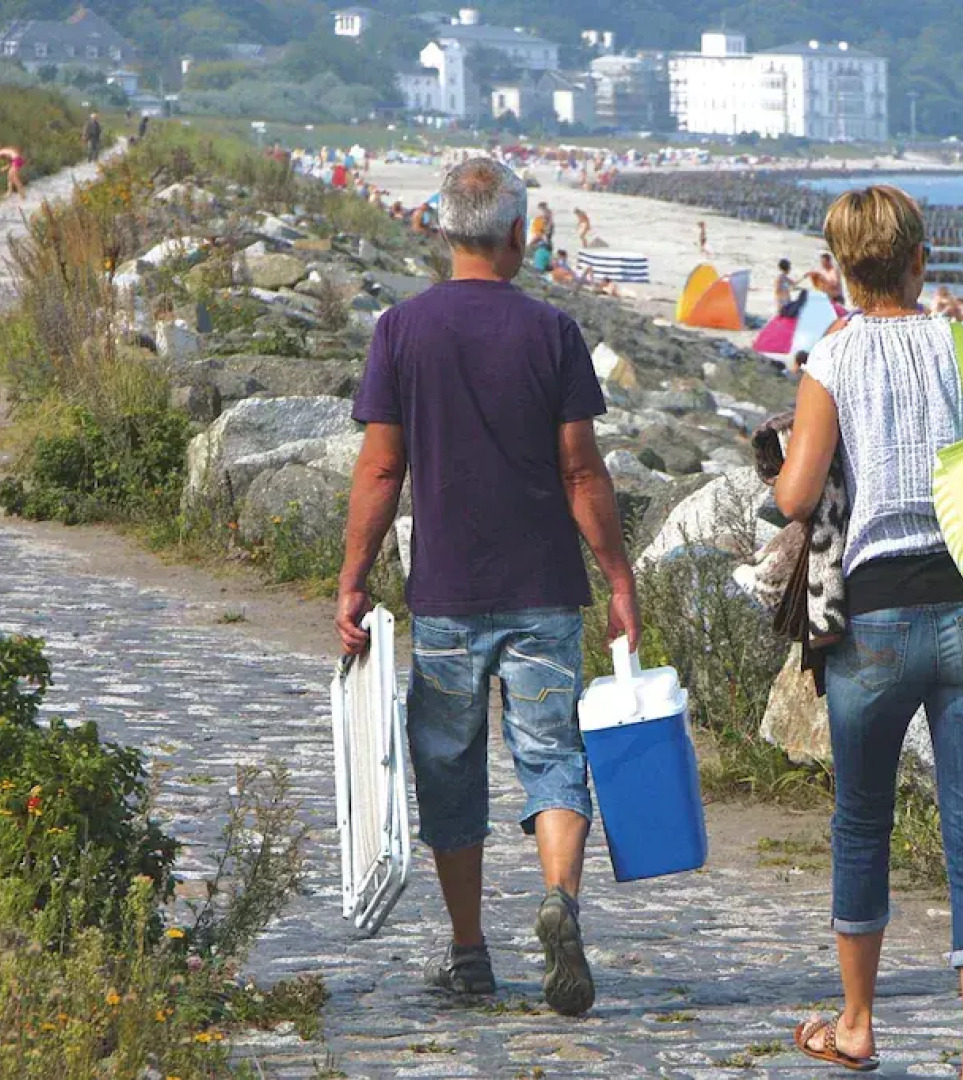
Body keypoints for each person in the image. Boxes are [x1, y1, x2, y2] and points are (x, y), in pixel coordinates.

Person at [337, 157, 639, 1018]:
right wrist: (618, 579)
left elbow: (382, 466)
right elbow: (583, 473)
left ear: (439, 228)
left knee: (450, 768)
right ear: (518, 234)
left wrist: (354, 582)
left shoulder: (400, 330)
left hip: (445, 596)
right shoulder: (552, 333)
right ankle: (559, 901)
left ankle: (471, 954)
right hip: (544, 590)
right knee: (551, 758)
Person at [774, 185, 963, 1080]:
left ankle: (855, 1024)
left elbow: (797, 497)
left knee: (861, 825)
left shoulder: (832, 358)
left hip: (874, 619)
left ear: (840, 269)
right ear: (922, 259)